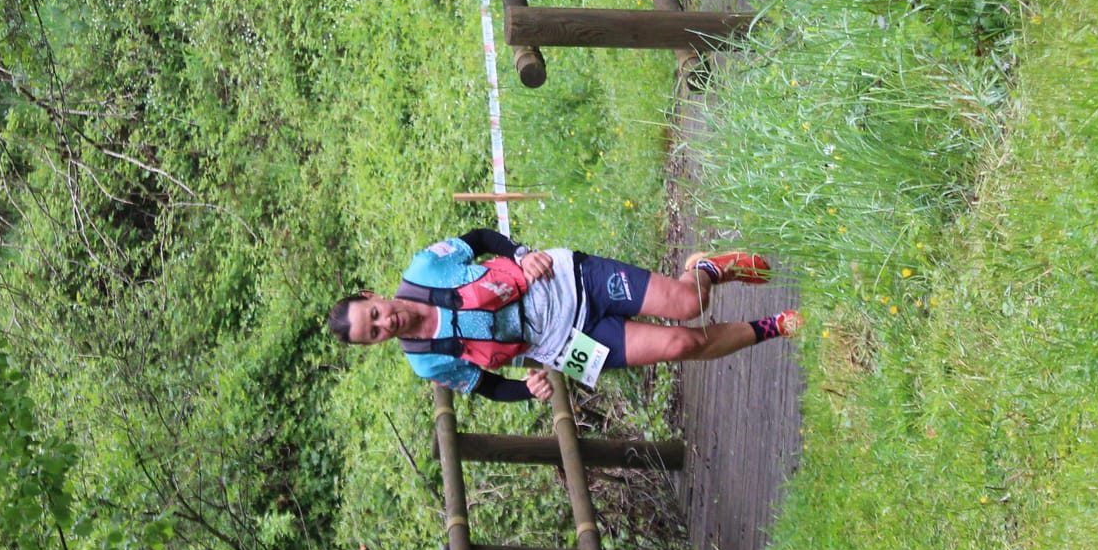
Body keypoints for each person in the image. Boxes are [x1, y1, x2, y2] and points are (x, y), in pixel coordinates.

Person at [326, 228, 801, 401]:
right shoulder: (426, 361)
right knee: (682, 344)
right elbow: (485, 385)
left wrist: (521, 253)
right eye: (374, 333)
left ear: (373, 295)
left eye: (375, 313)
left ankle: (703, 271)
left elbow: (482, 239)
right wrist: (526, 389)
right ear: (373, 344)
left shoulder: (426, 267)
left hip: (565, 280)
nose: (385, 323)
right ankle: (774, 326)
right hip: (561, 348)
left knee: (687, 305)